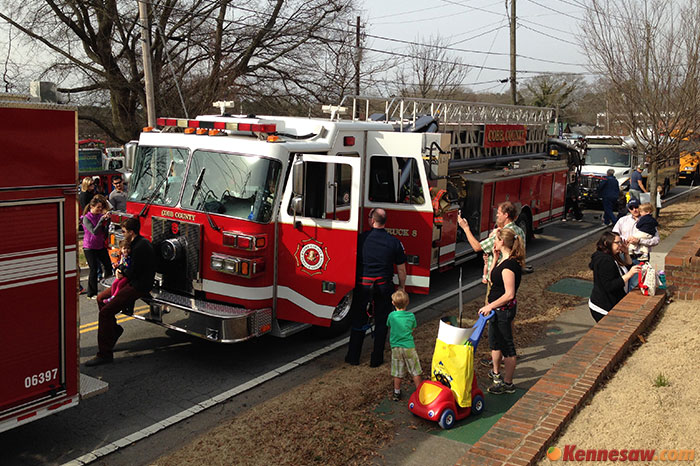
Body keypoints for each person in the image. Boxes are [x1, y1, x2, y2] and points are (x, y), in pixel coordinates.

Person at [85, 217, 156, 366]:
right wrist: (121, 270)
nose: (122, 234)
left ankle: (104, 354)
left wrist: (121, 271)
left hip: (138, 286)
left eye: (124, 232)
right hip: (128, 281)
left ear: (131, 232)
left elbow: (133, 271)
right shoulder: (134, 244)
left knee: (105, 313)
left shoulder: (140, 247)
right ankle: (114, 330)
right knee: (100, 299)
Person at [345, 208, 407, 367]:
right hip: (383, 286)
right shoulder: (394, 242)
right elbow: (401, 269)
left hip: (363, 286)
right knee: (381, 322)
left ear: (372, 220)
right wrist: (401, 287)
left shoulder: (360, 239)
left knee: (358, 320)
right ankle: (376, 359)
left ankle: (353, 357)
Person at [478, 228, 525, 395]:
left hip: (503, 311)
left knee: (507, 346)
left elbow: (509, 294)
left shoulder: (509, 266)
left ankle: (508, 383)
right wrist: (494, 259)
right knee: (495, 342)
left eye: (496, 239)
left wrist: (490, 306)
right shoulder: (503, 260)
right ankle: (496, 373)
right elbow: (492, 279)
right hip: (496, 311)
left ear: (503, 242)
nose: (493, 242)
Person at [458, 201, 528, 285]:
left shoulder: (502, 234)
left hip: (498, 279)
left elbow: (477, 247)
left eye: (499, 213)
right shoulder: (520, 231)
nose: (496, 215)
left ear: (506, 215)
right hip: (511, 277)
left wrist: (465, 228)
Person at [589, 232, 641, 322]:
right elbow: (610, 286)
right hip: (603, 306)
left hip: (613, 301)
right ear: (606, 243)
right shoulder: (605, 260)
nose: (620, 245)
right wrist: (629, 275)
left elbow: (627, 267)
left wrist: (626, 253)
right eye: (617, 243)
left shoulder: (613, 255)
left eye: (620, 242)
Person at [612, 198, 660, 290]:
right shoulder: (622, 220)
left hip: (641, 257)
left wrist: (640, 241)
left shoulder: (649, 221)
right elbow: (614, 236)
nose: (634, 210)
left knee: (634, 284)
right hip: (623, 256)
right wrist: (625, 241)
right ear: (628, 209)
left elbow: (656, 240)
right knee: (622, 282)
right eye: (631, 208)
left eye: (636, 207)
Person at [386, 289, 422, 401]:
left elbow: (388, 325)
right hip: (408, 346)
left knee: (397, 371)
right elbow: (413, 327)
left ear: (393, 303)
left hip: (396, 347)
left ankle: (396, 392)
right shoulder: (411, 316)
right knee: (415, 370)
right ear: (407, 302)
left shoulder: (391, 316)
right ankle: (419, 391)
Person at [81, 195, 113, 299]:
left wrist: (107, 221)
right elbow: (94, 231)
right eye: (98, 207)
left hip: (100, 245)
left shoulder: (100, 216)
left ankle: (108, 287)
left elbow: (103, 231)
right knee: (93, 269)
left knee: (108, 266)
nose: (100, 209)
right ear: (91, 207)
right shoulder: (86, 218)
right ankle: (91, 293)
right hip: (89, 247)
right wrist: (101, 221)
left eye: (101, 207)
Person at [104, 239, 131, 304]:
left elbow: (129, 267)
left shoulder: (130, 257)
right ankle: (112, 297)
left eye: (128, 248)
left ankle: (114, 298)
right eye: (124, 248)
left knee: (119, 284)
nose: (126, 250)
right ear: (121, 249)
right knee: (114, 284)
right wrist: (117, 265)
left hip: (126, 276)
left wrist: (122, 268)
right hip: (121, 274)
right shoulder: (123, 256)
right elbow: (120, 263)